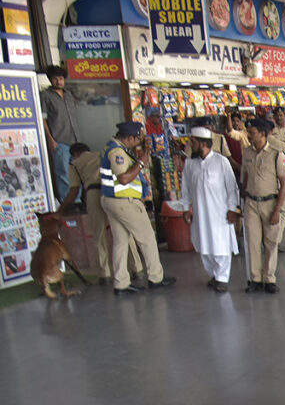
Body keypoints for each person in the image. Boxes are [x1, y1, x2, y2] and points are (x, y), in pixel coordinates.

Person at [99, 122, 176, 296]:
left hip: (112, 200)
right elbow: (124, 178)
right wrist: (140, 163)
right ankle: (156, 277)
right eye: (137, 138)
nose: (138, 141)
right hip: (123, 202)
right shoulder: (117, 152)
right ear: (129, 137)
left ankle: (121, 283)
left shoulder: (112, 147)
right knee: (147, 238)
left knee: (121, 241)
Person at [55, 143, 143, 287]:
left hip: (93, 193)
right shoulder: (103, 154)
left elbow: (73, 190)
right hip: (114, 193)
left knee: (99, 235)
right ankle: (137, 269)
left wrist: (60, 211)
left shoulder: (75, 164)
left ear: (75, 154)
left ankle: (105, 274)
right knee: (124, 233)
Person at [181, 126, 239, 292]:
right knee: (204, 246)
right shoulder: (190, 164)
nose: (190, 145)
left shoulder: (221, 162)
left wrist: (232, 209)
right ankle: (214, 274)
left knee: (220, 245)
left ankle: (222, 278)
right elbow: (185, 188)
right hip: (200, 213)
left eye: (193, 142)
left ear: (203, 143)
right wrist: (186, 208)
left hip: (220, 213)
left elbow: (232, 187)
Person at [241, 119, 285, 294]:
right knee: (252, 242)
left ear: (262, 133)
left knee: (271, 242)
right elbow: (245, 177)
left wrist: (277, 210)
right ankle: (255, 279)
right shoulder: (247, 153)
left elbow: (284, 184)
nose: (249, 135)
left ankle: (269, 278)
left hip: (270, 203)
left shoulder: (277, 154)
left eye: (252, 132)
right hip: (251, 203)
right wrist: (244, 198)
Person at [40, 65, 80, 201]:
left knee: (76, 172)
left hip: (75, 141)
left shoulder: (69, 95)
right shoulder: (46, 96)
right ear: (50, 80)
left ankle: (78, 201)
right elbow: (43, 119)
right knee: (63, 173)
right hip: (59, 140)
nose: (59, 82)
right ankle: (67, 204)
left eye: (61, 79)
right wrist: (50, 140)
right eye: (55, 79)